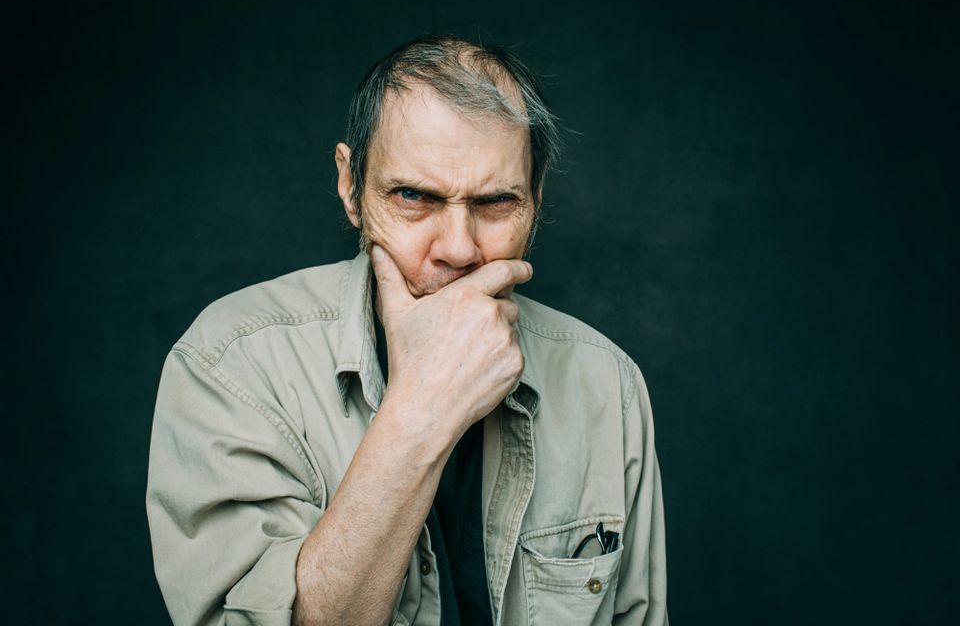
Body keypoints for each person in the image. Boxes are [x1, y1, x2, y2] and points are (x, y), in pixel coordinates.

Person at [147, 34, 668, 626]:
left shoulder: (607, 383)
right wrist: (422, 408)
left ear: (537, 199)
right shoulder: (229, 364)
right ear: (351, 187)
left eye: (496, 202)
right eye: (414, 196)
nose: (458, 249)